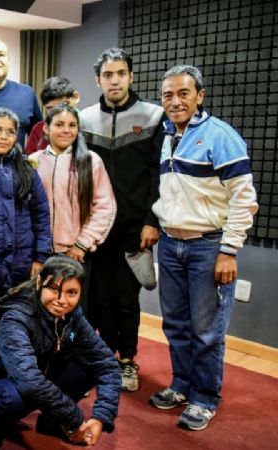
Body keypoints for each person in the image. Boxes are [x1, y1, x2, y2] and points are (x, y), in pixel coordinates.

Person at [150, 65, 258, 431]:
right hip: (170, 244)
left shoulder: (221, 136)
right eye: (168, 95)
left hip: (208, 247)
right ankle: (182, 385)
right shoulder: (166, 135)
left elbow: (244, 199)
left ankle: (204, 398)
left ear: (200, 96)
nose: (175, 101)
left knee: (207, 331)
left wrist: (229, 250)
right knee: (176, 325)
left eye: (183, 93)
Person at [0, 255, 121, 450]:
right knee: (14, 395)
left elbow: (108, 364)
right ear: (40, 282)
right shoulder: (16, 318)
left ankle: (52, 423)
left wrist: (101, 416)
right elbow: (30, 381)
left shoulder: (73, 316)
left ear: (81, 293)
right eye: (53, 289)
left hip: (38, 381)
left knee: (90, 365)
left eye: (71, 292)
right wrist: (75, 418)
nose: (61, 301)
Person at [80, 48, 163, 392]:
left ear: (131, 76)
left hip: (134, 227)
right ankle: (102, 358)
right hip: (96, 226)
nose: (114, 80)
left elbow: (159, 175)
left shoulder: (154, 116)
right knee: (97, 298)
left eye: (121, 73)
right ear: (98, 79)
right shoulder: (83, 119)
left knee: (126, 299)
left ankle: (127, 360)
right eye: (108, 75)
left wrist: (151, 220)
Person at [0, 107, 52, 373]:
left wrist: (41, 256)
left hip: (20, 262)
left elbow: (41, 215)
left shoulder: (27, 171)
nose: (4, 137)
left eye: (11, 132)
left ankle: (12, 366)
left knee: (14, 318)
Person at [29, 103, 116, 269]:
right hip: (39, 255)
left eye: (72, 125)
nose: (66, 130)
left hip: (76, 254)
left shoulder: (91, 161)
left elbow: (105, 207)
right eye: (59, 125)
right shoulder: (33, 161)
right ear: (46, 128)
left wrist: (82, 244)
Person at [0, 38, 41, 147]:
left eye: (1, 54)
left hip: (16, 163)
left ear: (8, 60)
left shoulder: (26, 94)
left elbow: (39, 137)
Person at [24, 77, 80, 155]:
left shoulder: (87, 126)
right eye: (50, 108)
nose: (58, 113)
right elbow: (28, 163)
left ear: (75, 97)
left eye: (63, 105)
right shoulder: (39, 129)